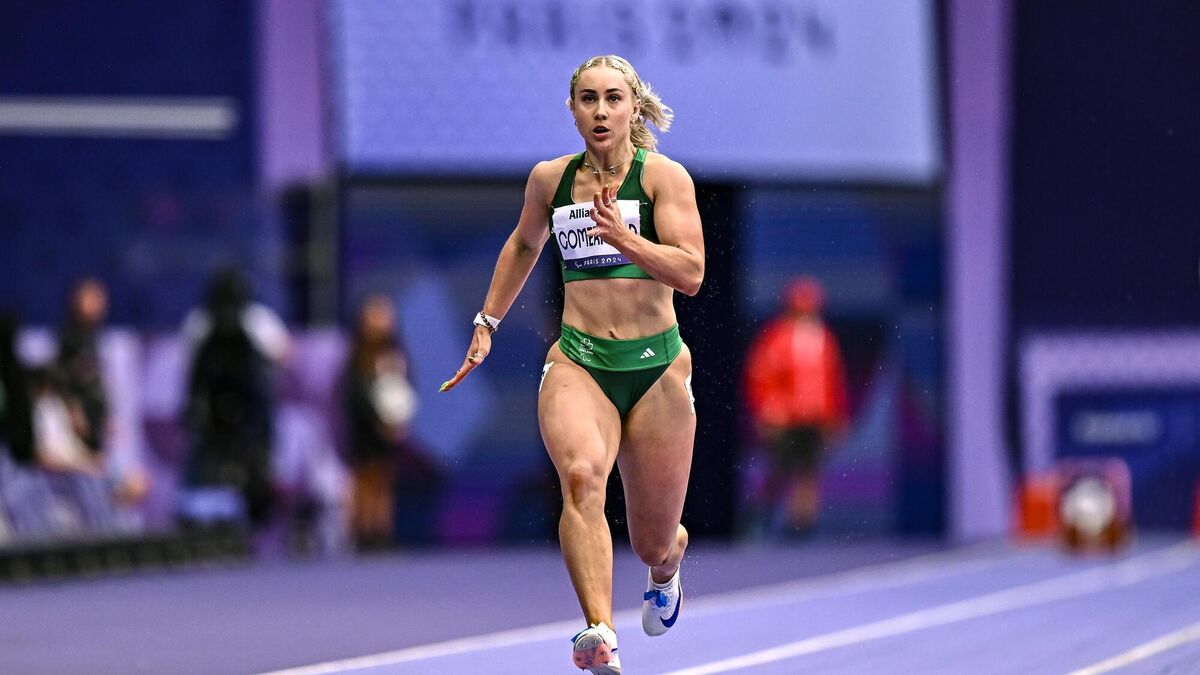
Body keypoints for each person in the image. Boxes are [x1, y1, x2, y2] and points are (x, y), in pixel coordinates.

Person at [439, 55, 703, 674]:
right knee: (582, 477)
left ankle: (668, 563)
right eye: (588, 99)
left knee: (652, 541)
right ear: (572, 110)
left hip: (657, 368)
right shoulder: (549, 181)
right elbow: (524, 243)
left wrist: (627, 239)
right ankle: (599, 632)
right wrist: (486, 324)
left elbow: (691, 272)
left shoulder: (664, 178)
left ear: (633, 108)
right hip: (579, 359)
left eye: (613, 98)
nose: (601, 111)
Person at [743, 277, 849, 538]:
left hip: (815, 418)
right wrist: (766, 411)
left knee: (809, 471)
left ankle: (801, 526)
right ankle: (759, 516)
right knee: (780, 470)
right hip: (786, 419)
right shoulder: (776, 338)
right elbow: (760, 377)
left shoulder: (824, 339)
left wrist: (836, 415)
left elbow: (833, 380)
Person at [339, 293, 417, 552]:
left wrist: (398, 419)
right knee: (363, 478)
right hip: (365, 427)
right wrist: (373, 418)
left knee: (383, 479)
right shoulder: (358, 356)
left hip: (388, 429)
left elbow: (405, 387)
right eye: (375, 316)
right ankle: (362, 532)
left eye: (385, 317)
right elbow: (353, 392)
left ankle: (381, 533)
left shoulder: (396, 354)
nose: (380, 323)